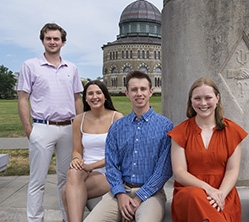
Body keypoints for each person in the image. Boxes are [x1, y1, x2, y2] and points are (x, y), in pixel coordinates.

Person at [84, 70, 173, 222]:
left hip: (151, 194)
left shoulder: (166, 126)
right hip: (120, 191)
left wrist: (138, 198)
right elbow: (111, 166)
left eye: (143, 89)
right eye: (134, 89)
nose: (139, 93)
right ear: (127, 93)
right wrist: (120, 194)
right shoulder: (117, 127)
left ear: (151, 92)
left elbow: (163, 171)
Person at [17, 23, 83, 222]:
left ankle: (67, 217)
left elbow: (77, 99)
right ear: (42, 40)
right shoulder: (30, 66)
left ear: (63, 42)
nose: (52, 42)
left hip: (68, 128)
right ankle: (35, 219)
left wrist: (80, 128)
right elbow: (22, 98)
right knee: (37, 181)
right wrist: (29, 128)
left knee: (67, 179)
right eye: (48, 38)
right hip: (42, 127)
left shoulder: (72, 68)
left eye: (56, 38)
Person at [168, 77, 248, 222]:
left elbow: (232, 170)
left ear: (217, 98)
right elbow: (179, 173)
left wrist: (220, 194)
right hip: (189, 191)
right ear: (191, 101)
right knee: (194, 196)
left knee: (211, 211)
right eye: (197, 98)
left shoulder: (232, 131)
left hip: (223, 192)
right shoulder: (180, 132)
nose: (203, 103)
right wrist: (208, 189)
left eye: (208, 98)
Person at [61, 80, 123, 222]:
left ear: (105, 96)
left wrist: (92, 166)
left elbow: (118, 155)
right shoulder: (79, 119)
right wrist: (77, 160)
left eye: (98, 93)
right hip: (84, 169)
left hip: (108, 171)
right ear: (86, 98)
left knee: (66, 192)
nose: (94, 96)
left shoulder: (116, 118)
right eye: (90, 93)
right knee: (73, 172)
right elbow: (76, 150)